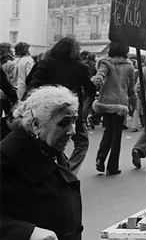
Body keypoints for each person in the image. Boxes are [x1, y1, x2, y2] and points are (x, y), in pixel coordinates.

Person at [0, 85, 82, 240]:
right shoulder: (6, 159)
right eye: (63, 123)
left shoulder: (49, 151)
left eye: (74, 121)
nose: (72, 131)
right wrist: (25, 233)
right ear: (36, 124)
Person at [26, 37, 96, 175]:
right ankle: (68, 170)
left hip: (47, 109)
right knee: (81, 142)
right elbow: (90, 89)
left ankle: (48, 168)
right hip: (72, 110)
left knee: (46, 140)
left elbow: (32, 84)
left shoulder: (45, 63)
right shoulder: (81, 67)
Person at [91, 42, 136, 175]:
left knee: (108, 131)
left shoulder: (105, 63)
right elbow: (131, 87)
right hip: (121, 102)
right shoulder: (129, 66)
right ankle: (112, 166)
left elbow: (100, 75)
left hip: (106, 101)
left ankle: (100, 157)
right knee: (117, 135)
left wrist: (97, 81)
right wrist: (133, 101)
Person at [0, 43, 16, 117]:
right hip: (6, 95)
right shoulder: (11, 64)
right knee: (9, 118)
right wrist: (14, 97)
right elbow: (12, 80)